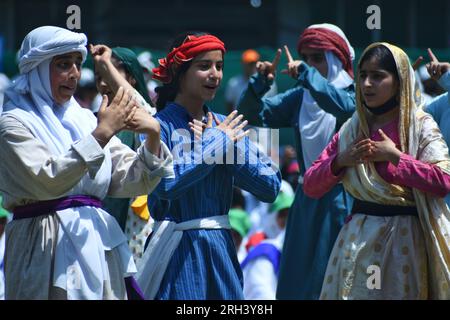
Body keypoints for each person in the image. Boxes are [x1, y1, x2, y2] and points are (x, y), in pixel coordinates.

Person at [0, 26, 173, 300]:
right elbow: (47, 181)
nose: (75, 74)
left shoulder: (85, 119)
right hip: (43, 246)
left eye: (78, 64)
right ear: (38, 68)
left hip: (98, 246)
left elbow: (131, 179)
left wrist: (152, 135)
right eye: (63, 64)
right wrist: (102, 133)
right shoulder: (13, 122)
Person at [135, 32, 281, 300]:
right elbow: (166, 184)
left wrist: (227, 147)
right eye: (204, 66)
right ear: (180, 72)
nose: (215, 74)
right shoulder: (157, 127)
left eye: (220, 66)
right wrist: (216, 144)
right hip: (176, 253)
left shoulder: (227, 125)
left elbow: (271, 186)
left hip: (221, 252)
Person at [303, 42, 450, 299]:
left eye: (378, 76)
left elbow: (443, 181)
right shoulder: (352, 129)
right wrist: (341, 160)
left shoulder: (420, 125)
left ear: (399, 81)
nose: (367, 84)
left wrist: (395, 156)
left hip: (403, 246)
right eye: (363, 76)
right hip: (355, 244)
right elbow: (311, 185)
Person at [237, 23, 356, 299]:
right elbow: (252, 115)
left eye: (318, 58)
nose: (311, 64)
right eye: (307, 57)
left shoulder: (356, 94)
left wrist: (307, 74)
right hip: (306, 200)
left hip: (342, 197)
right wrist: (259, 85)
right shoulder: (300, 97)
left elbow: (343, 107)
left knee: (336, 278)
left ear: (336, 59)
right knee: (298, 279)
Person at [241, 191, 293, 300]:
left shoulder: (289, 249)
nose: (286, 220)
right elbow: (259, 291)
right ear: (272, 218)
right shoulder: (265, 251)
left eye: (290, 215)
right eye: (282, 215)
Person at [225, 49, 277, 114]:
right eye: (249, 63)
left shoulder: (268, 82)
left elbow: (272, 104)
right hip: (239, 122)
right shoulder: (233, 83)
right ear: (243, 64)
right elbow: (229, 105)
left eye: (254, 63)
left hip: (261, 122)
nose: (252, 66)